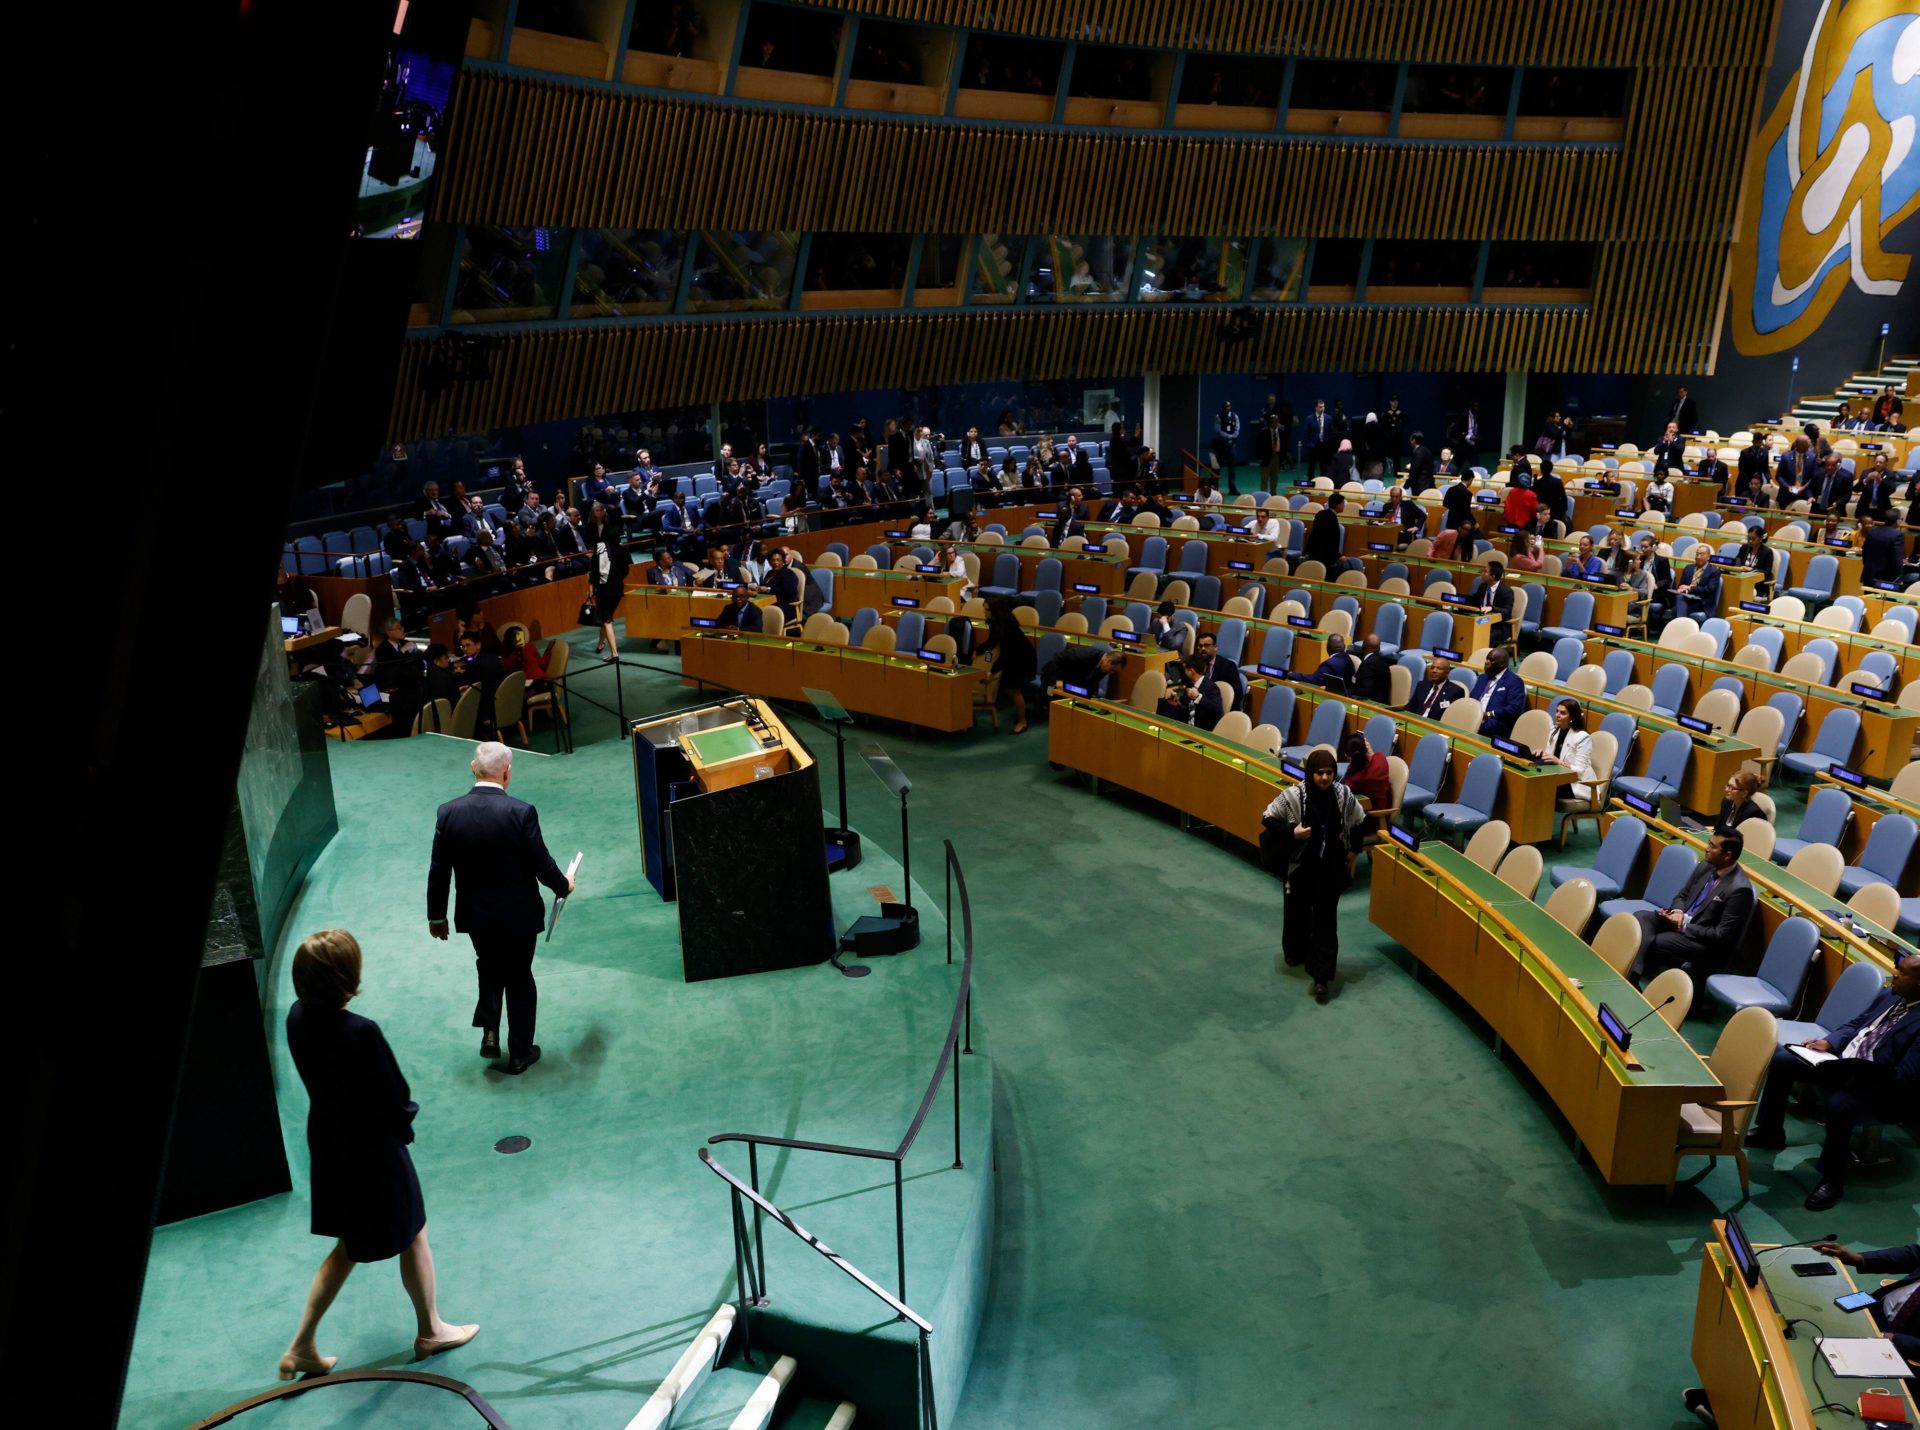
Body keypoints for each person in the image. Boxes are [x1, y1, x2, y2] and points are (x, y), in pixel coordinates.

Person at [279, 930, 478, 1381]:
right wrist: (403, 1127)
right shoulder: (359, 1031)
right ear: (347, 976)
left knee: (349, 1244)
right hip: (372, 1153)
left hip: (330, 1147)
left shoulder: (295, 1017)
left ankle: (302, 1344)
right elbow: (394, 1099)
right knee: (414, 1231)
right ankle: (431, 1330)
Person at [426, 742, 575, 1075]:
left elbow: (439, 871)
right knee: (519, 977)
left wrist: (436, 916)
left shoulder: (448, 812)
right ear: (507, 773)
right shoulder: (521, 812)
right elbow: (541, 864)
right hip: (519, 917)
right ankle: (520, 1052)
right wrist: (564, 885)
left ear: (472, 768)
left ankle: (490, 1033)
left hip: (477, 917)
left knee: (489, 968)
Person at [1747, 952, 1920, 1211]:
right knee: (1784, 1062)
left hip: (1881, 1090)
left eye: (1903, 972)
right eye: (1898, 968)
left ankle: (1832, 1179)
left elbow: (1905, 1075)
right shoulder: (1890, 995)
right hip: (1843, 1065)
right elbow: (1856, 1025)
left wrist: (1860, 1072)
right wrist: (1830, 1042)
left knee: (1841, 1104)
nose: (1894, 974)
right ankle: (1770, 1132)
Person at [1261, 747, 1368, 1003]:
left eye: (1329, 772)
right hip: (1301, 867)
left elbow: (1360, 820)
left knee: (1325, 921)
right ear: (1311, 772)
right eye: (1319, 773)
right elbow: (1267, 817)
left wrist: (1354, 850)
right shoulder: (1294, 795)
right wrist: (1292, 832)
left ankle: (1322, 977)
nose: (1324, 778)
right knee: (1297, 912)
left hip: (1329, 867)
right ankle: (1296, 951)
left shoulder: (1343, 795)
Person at [1631, 829, 1754, 981]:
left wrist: (1683, 926)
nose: (1706, 848)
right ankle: (1635, 974)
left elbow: (1721, 935)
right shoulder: (1706, 866)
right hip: (1680, 922)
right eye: (1709, 842)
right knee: (1640, 917)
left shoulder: (1740, 890)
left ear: (1727, 855)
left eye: (1713, 846)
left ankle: (1634, 976)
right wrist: (1678, 912)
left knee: (1652, 940)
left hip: (1701, 942)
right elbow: (1683, 894)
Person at [1806, 1238, 1918, 1365]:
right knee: (1810, 1313)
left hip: (1898, 1340)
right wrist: (1859, 1258)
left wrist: (1895, 1339)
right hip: (1875, 1304)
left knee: (1828, 1361)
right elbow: (1914, 1255)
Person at [978, 597, 1036, 733]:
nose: (984, 612)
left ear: (995, 610)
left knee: (1012, 688)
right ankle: (1022, 713)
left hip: (1022, 658)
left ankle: (1023, 722)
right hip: (1012, 656)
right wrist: (979, 650)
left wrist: (992, 672)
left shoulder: (1008, 626)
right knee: (1008, 688)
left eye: (986, 609)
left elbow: (1006, 654)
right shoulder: (994, 622)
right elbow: (993, 640)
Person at [589, 510, 629, 658]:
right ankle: (601, 643)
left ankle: (614, 653)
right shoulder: (623, 549)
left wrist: (591, 587)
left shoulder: (599, 547)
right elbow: (626, 570)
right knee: (607, 616)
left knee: (606, 619)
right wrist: (617, 578)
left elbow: (593, 569)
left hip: (603, 589)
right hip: (617, 589)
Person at [1539, 701, 1595, 803]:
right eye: (1557, 711)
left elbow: (1579, 771)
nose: (1557, 715)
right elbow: (1549, 756)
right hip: (1557, 777)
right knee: (1535, 781)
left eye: (1562, 713)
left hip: (1577, 783)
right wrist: (1541, 754)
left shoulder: (1582, 737)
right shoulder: (1554, 730)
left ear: (1572, 717)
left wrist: (1559, 762)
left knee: (1544, 787)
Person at [1469, 648, 1526, 738]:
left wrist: (1489, 714)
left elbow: (1514, 709)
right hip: (1475, 716)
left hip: (1495, 720)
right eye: (1487, 659)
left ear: (1502, 664)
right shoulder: (1483, 678)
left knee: (1486, 726)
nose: (1486, 662)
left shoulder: (1514, 682)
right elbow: (1471, 698)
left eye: (1491, 660)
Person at [1157, 654, 1225, 730]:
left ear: (1191, 671)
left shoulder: (1211, 687)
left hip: (1203, 730)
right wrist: (1176, 700)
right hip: (1185, 726)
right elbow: (1185, 706)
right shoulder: (1190, 684)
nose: (1184, 672)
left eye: (1185, 669)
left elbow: (1217, 709)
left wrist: (1198, 697)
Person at [1043, 644, 1128, 699]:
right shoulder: (1083, 654)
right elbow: (1055, 662)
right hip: (1053, 675)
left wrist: (1094, 697)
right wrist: (1056, 681)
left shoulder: (1104, 666)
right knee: (1053, 696)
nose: (1110, 673)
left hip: (1071, 680)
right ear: (1108, 660)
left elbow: (1094, 682)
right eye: (1112, 670)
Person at [1467, 561, 1516, 646]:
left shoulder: (1507, 592)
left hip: (1499, 627)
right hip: (1482, 622)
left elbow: (1507, 611)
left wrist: (1492, 608)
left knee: (1483, 635)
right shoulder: (1482, 586)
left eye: (1485, 572)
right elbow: (1473, 600)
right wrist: (1457, 601)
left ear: (1493, 576)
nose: (1482, 573)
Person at [1341, 730, 1391, 809]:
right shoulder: (1381, 758)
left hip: (1372, 816)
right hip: (1384, 809)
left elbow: (1343, 791)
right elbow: (1373, 759)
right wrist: (1369, 751)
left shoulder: (1355, 780)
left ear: (1347, 756)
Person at [1672, 542, 1722, 620]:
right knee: (1679, 598)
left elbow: (1709, 589)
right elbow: (1681, 584)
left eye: (1701, 555)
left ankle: (1680, 625)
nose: (1698, 557)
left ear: (1708, 557)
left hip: (1702, 602)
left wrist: (1689, 588)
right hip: (1687, 598)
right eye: (1697, 554)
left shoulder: (1714, 571)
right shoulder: (1688, 568)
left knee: (1675, 610)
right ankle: (1681, 625)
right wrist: (1681, 588)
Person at [1862, 507, 1907, 586]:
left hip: (1868, 574)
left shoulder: (1872, 531)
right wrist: (1899, 578)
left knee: (1867, 597)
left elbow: (1864, 551)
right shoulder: (1897, 535)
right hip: (1886, 578)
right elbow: (1897, 559)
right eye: (1901, 519)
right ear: (1897, 520)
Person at [1406, 656, 1459, 720]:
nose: (1434, 671)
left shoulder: (1455, 692)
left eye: (1439, 668)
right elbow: (1410, 707)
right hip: (1415, 721)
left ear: (1447, 672)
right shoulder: (1422, 685)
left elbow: (1450, 718)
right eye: (1432, 667)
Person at [1350, 633, 1393, 704]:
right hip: (1381, 703)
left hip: (1373, 704)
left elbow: (1366, 691)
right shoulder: (1383, 661)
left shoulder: (1368, 664)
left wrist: (1347, 691)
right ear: (1379, 648)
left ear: (1363, 646)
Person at [1211, 400, 1242, 493]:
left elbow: (1237, 428)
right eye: (1225, 407)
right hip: (1220, 445)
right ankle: (1215, 486)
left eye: (1228, 406)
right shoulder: (1218, 416)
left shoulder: (1235, 416)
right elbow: (1218, 431)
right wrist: (1229, 436)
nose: (1226, 408)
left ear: (1230, 407)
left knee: (1232, 467)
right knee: (1216, 467)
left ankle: (1232, 487)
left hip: (1231, 445)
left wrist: (1234, 436)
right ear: (1222, 407)